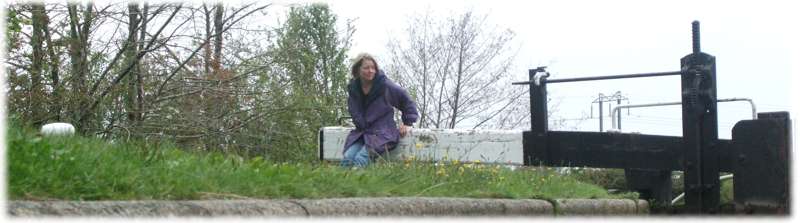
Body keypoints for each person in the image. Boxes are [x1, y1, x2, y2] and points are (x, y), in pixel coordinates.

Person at [341, 53, 418, 168]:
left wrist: (408, 122)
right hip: (363, 133)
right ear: (358, 70)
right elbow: (354, 111)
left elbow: (405, 99)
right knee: (348, 157)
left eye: (373, 68)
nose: (371, 71)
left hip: (383, 133)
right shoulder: (354, 89)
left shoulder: (385, 86)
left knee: (361, 158)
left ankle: (357, 185)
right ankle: (341, 185)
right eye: (366, 68)